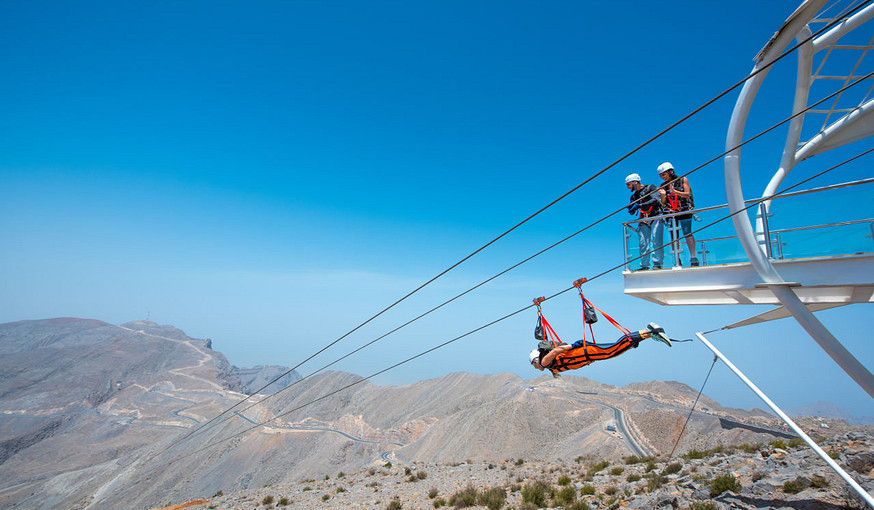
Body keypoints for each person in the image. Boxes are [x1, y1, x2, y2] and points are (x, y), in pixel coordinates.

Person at [529, 323, 671, 375]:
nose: (536, 368)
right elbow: (572, 364)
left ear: (536, 360)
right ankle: (646, 334)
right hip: (586, 355)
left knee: (613, 350)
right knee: (614, 351)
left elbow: (555, 351)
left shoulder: (545, 362)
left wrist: (573, 345)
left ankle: (649, 331)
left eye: (534, 365)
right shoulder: (551, 368)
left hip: (584, 352)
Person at [657, 162, 698, 267]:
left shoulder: (682, 180)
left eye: (664, 174)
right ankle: (677, 259)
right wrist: (662, 196)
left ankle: (693, 258)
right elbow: (663, 203)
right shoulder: (662, 186)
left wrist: (675, 191)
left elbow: (687, 194)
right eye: (661, 175)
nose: (662, 177)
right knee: (673, 236)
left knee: (687, 232)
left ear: (670, 172)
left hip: (684, 209)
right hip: (671, 212)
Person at [625, 173, 664, 270]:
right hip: (644, 219)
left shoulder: (650, 188)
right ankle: (644, 265)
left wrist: (640, 205)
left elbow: (655, 199)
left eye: (629, 184)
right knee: (643, 243)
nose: (628, 187)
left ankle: (657, 263)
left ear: (635, 182)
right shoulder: (634, 197)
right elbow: (632, 210)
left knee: (657, 240)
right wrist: (631, 208)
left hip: (655, 216)